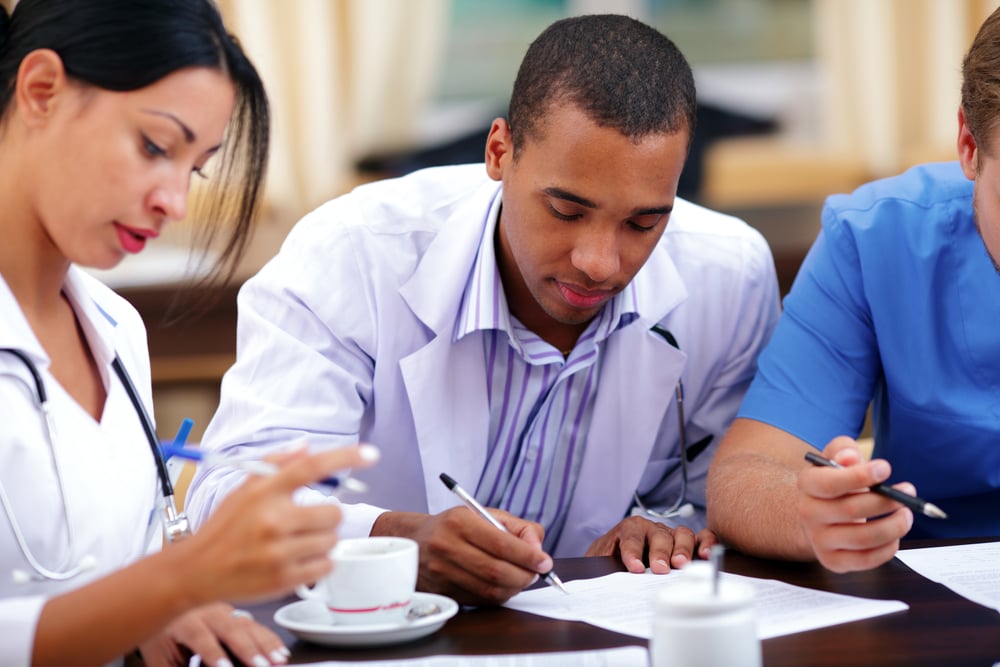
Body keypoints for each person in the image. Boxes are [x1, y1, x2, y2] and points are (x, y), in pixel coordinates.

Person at [186, 14, 779, 606]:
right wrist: (395, 540)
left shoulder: (727, 276)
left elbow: (723, 500)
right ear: (500, 151)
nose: (600, 262)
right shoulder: (353, 253)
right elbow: (230, 496)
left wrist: (662, 532)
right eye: (567, 211)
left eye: (644, 222)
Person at [0, 1, 378, 666]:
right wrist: (181, 579)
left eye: (195, 167)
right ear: (42, 92)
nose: (174, 201)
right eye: (154, 146)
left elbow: (120, 576)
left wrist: (174, 608)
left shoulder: (117, 332)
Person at [705, 7, 1000, 574]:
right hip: (935, 599)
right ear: (968, 144)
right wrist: (810, 514)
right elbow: (745, 475)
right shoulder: (875, 238)